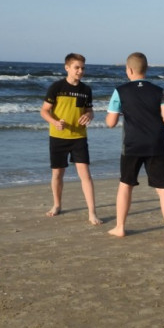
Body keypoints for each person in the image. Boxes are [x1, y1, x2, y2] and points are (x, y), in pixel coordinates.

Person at [106, 52, 164, 243]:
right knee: (163, 189)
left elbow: (110, 122)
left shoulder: (120, 91)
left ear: (129, 70)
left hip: (132, 145)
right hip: (156, 145)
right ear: (146, 69)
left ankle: (120, 227)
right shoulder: (159, 91)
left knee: (126, 185)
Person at [40, 53, 102, 224]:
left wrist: (89, 115)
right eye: (77, 68)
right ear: (67, 68)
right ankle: (57, 205)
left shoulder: (86, 90)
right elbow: (44, 111)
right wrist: (54, 122)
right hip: (58, 136)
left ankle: (92, 212)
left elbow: (89, 111)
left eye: (83, 68)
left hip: (79, 137)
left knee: (86, 175)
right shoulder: (57, 87)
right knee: (57, 173)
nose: (80, 71)